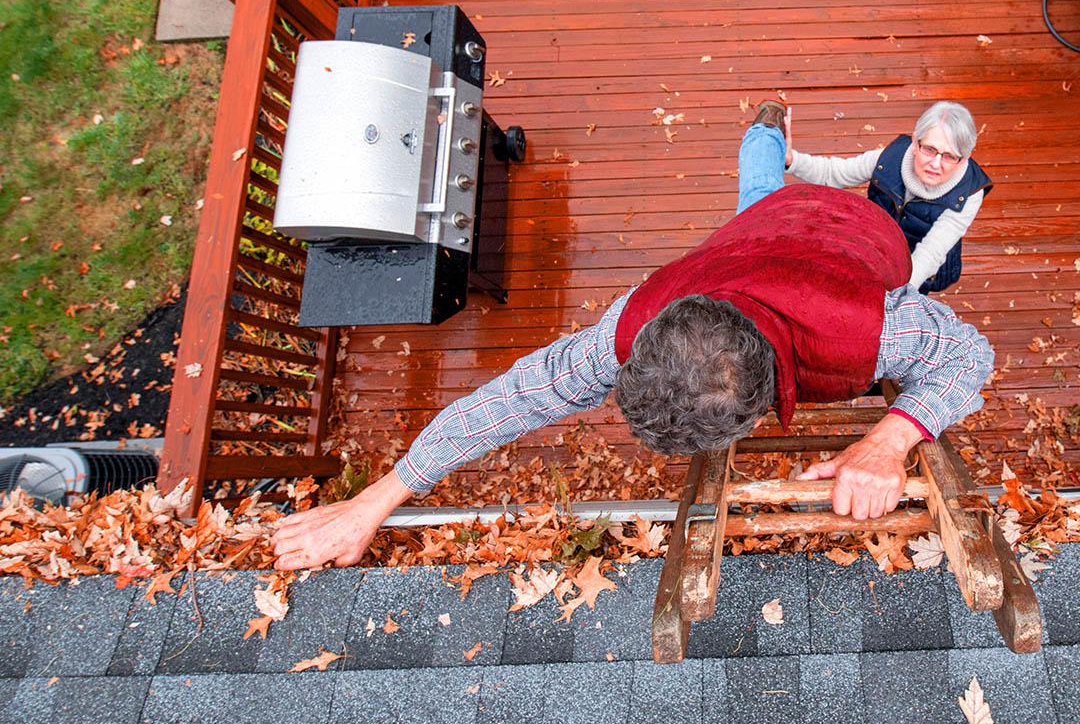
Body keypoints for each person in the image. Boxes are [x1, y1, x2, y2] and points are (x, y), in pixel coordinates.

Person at [271, 102, 994, 571]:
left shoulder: (877, 327)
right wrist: (375, 500)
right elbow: (513, 398)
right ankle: (766, 129)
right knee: (757, 197)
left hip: (862, 239)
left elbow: (971, 355)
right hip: (757, 234)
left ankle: (768, 124)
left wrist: (888, 440)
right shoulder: (635, 319)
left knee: (764, 190)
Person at [782, 99, 991, 294]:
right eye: (929, 149)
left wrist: (896, 296)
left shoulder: (970, 193)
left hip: (922, 271)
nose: (936, 164)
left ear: (964, 159)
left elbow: (930, 254)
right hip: (879, 250)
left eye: (949, 156)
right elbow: (832, 173)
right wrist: (793, 161)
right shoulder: (888, 158)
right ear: (914, 142)